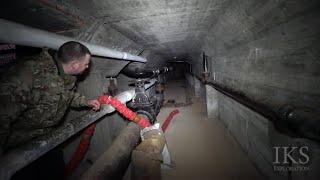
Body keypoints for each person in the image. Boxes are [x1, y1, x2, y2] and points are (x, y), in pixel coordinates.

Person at [0, 41, 100, 154]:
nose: (87, 67)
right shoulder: (29, 73)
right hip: (18, 142)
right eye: (86, 64)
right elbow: (3, 114)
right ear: (75, 65)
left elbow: (68, 95)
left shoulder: (67, 75)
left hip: (45, 135)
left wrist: (86, 102)